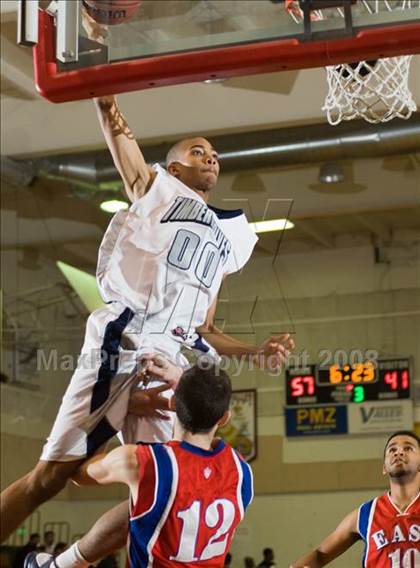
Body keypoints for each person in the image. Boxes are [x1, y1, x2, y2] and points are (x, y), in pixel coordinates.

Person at [1, 72, 295, 542]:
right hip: (125, 338)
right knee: (49, 479)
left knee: (166, 488)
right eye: (198, 151)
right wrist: (103, 95)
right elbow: (118, 130)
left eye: (215, 154)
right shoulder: (157, 190)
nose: (210, 158)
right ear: (174, 168)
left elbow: (205, 326)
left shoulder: (230, 239)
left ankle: (65, 561)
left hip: (171, 356)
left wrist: (255, 350)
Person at [25, 364, 253, 568]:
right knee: (148, 505)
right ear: (224, 418)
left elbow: (78, 472)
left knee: (148, 501)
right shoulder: (243, 475)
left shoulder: (144, 462)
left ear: (172, 404)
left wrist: (120, 409)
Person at [290, 430, 420, 567]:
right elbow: (321, 554)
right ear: (384, 468)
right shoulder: (366, 513)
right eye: (392, 449)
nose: (398, 452)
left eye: (408, 448)